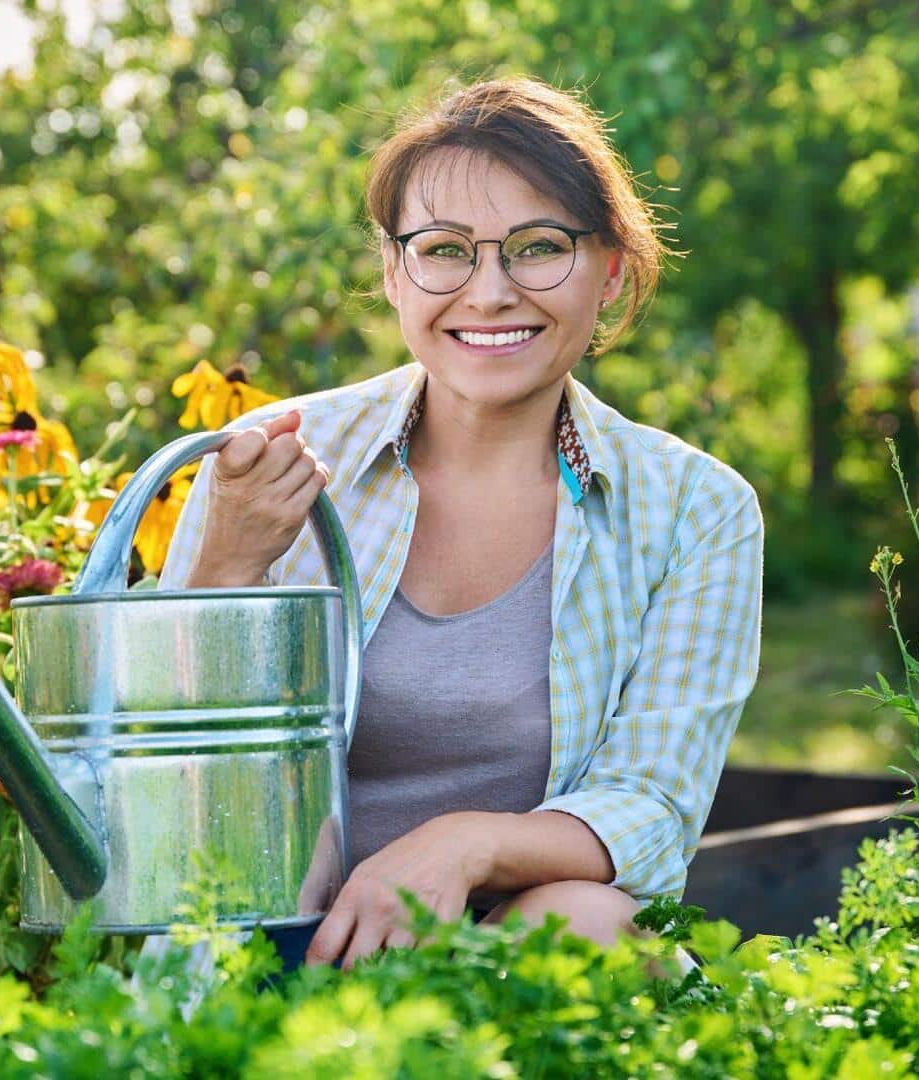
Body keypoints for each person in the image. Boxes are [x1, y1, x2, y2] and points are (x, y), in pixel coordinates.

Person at [158, 77, 763, 970]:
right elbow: (157, 767)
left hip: (507, 969)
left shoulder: (694, 510)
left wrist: (462, 844)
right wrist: (226, 567)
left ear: (609, 271)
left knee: (588, 922)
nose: (489, 293)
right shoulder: (275, 459)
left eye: (538, 247)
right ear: (392, 271)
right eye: (444, 250)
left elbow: (652, 808)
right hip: (273, 945)